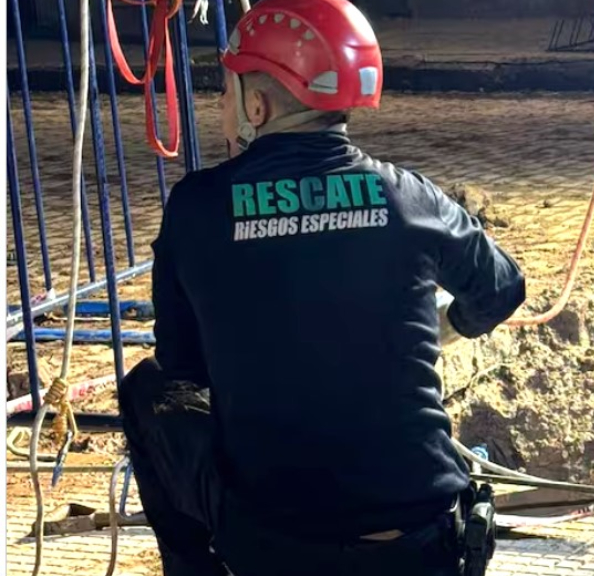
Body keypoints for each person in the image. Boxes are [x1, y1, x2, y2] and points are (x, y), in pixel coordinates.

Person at [116, 1, 526, 575]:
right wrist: (443, 328)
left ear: (256, 105)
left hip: (274, 545)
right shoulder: (411, 198)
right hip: (420, 543)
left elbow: (184, 370)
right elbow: (502, 288)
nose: (219, 103)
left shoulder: (197, 207)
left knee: (146, 388)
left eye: (226, 88)